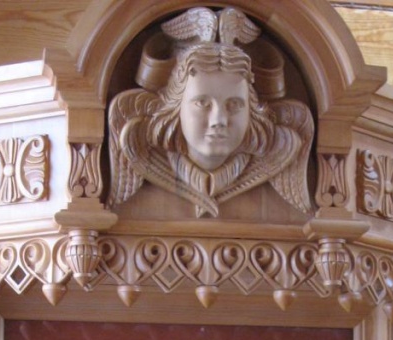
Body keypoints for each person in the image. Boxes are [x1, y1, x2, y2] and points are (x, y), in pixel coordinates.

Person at [107, 7, 313, 217]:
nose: (219, 120)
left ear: (252, 112)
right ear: (175, 107)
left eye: (234, 105)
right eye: (202, 103)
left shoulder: (280, 149)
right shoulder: (138, 146)